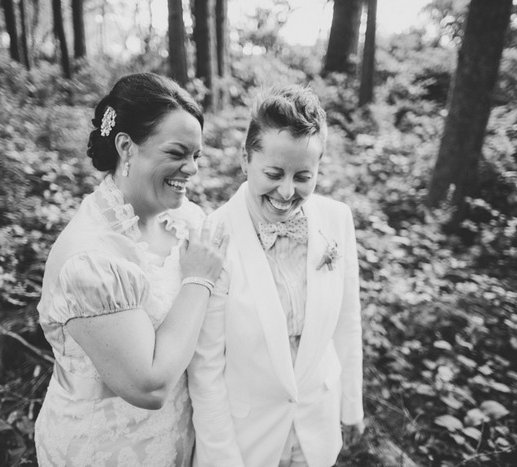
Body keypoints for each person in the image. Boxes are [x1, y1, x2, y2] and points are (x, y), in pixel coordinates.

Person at [34, 72, 227, 466]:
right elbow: (149, 385)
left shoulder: (188, 221)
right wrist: (198, 281)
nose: (191, 169)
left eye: (196, 156)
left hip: (179, 438)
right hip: (102, 448)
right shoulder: (89, 259)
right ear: (126, 147)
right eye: (176, 153)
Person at [188, 85, 364, 467]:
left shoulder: (337, 220)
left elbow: (347, 323)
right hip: (246, 441)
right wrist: (221, 458)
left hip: (317, 426)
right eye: (273, 173)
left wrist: (350, 405)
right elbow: (205, 369)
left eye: (303, 176)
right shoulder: (215, 235)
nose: (286, 191)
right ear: (245, 159)